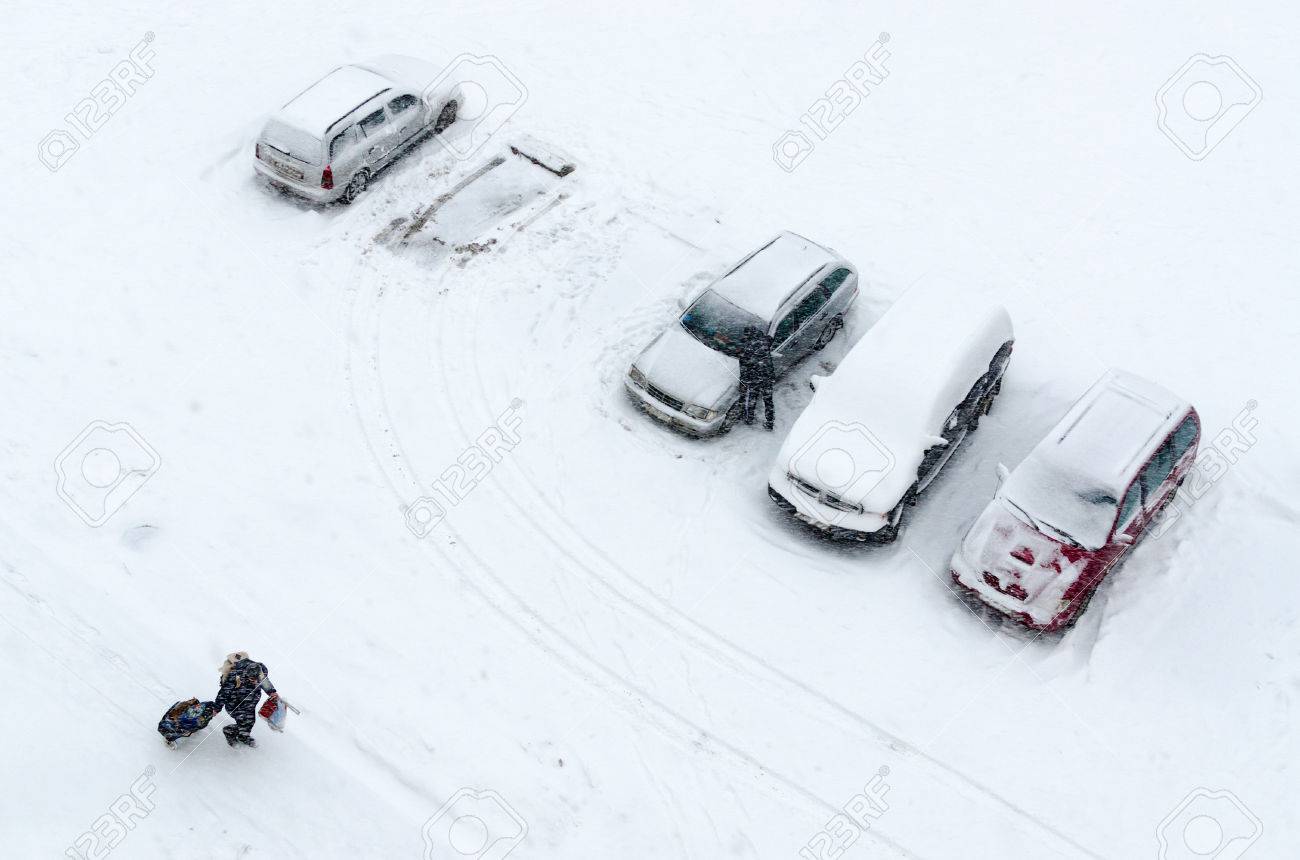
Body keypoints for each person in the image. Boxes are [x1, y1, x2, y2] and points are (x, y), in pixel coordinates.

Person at [215, 651, 276, 748]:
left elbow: (266, 683)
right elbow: (224, 693)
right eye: (252, 679)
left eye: (257, 680)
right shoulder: (235, 676)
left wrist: (272, 692)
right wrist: (217, 708)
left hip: (249, 703)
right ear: (246, 674)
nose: (255, 681)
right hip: (234, 703)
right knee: (243, 720)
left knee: (251, 721)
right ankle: (229, 731)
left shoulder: (261, 673)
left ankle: (243, 736)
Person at [738, 327, 776, 431]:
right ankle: (770, 422)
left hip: (755, 378)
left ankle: (749, 418)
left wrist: (743, 381)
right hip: (768, 377)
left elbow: (744, 367)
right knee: (768, 401)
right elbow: (770, 340)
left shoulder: (747, 349)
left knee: (752, 398)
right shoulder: (764, 342)